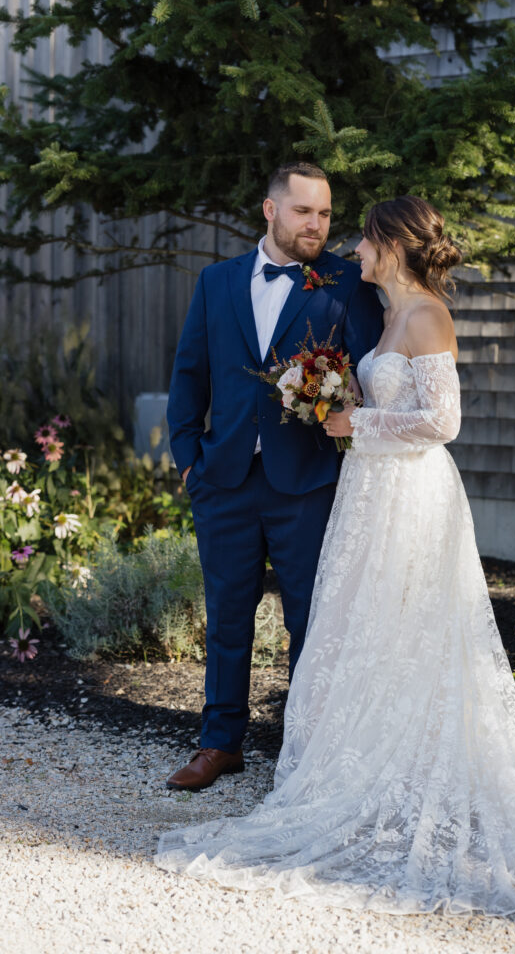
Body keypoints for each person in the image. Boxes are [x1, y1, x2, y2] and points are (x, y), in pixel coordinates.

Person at [156, 196, 515, 915]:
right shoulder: (387, 314)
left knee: (411, 626)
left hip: (412, 495)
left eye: (362, 235)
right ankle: (346, 764)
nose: (350, 244)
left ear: (391, 244)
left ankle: (408, 773)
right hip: (368, 489)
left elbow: (443, 422)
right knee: (362, 629)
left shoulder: (424, 314)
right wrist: (334, 397)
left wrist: (356, 418)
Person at [163, 162, 384, 792]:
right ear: (270, 209)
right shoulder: (216, 282)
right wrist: (189, 459)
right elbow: (189, 373)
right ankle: (218, 743)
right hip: (224, 479)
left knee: (309, 620)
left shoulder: (346, 280)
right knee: (227, 614)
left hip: (307, 481)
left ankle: (307, 752)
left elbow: (372, 371)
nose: (316, 224)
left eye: (324, 214)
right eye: (303, 211)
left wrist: (351, 414)